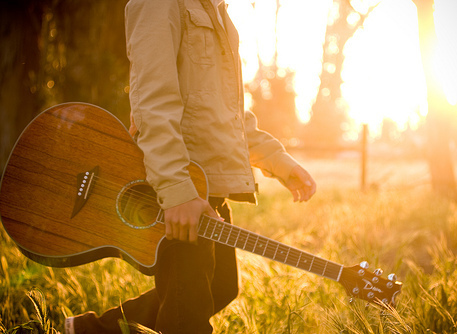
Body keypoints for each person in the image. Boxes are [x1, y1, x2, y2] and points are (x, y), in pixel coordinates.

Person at [65, 0, 316, 333]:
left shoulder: (218, 10)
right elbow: (152, 103)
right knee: (188, 319)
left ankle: (88, 331)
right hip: (181, 189)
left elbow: (225, 112)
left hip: (209, 188)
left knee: (221, 288)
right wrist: (176, 190)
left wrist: (277, 159)